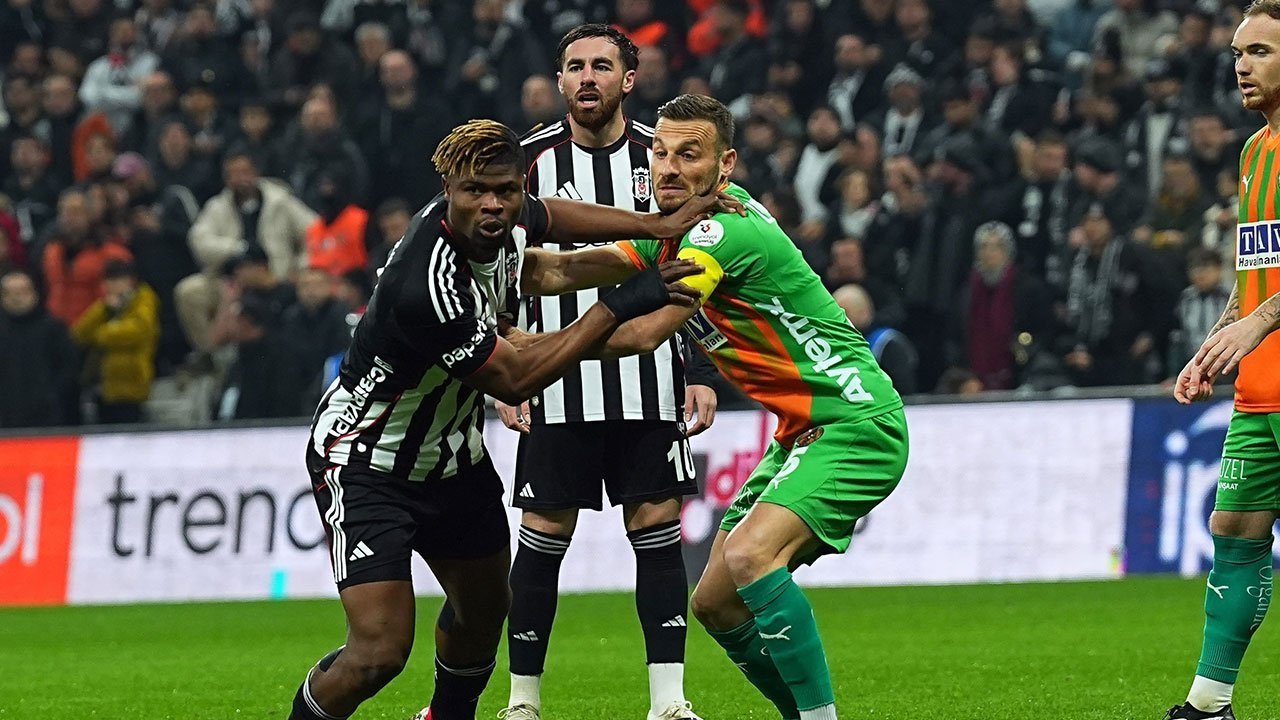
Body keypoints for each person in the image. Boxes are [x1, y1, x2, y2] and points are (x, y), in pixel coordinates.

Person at [289, 118, 729, 720]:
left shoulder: (501, 222)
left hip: (454, 459)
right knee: (379, 654)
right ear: (448, 190)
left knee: (484, 613)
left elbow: (553, 232)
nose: (492, 205)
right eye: (475, 191)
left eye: (505, 191)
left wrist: (653, 228)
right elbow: (516, 378)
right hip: (368, 460)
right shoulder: (428, 285)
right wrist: (621, 302)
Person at [501, 95, 908, 720]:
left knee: (749, 557)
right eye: (661, 153)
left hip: (854, 422)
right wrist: (480, 255)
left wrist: (531, 347)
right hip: (802, 432)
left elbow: (643, 334)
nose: (668, 168)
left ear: (726, 165)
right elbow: (562, 271)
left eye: (689, 155)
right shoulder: (671, 231)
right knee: (715, 601)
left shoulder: (721, 231)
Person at [496, 25, 718, 720]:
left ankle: (669, 703)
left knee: (657, 532)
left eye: (601, 65)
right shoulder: (527, 161)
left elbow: (700, 259)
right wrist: (503, 366)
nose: (587, 77)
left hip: (651, 379)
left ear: (629, 78)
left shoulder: (665, 157)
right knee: (542, 541)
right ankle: (522, 703)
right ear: (560, 80)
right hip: (554, 384)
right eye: (574, 66)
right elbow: (499, 267)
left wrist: (700, 365)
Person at [1169, 4, 1280, 718]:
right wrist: (1215, 344)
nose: (1242, 65)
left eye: (1261, 51)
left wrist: (1259, 323)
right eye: (1238, 53)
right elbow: (1256, 273)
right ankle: (1210, 705)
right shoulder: (1254, 152)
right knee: (1234, 530)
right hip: (1260, 388)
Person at [70, 259, 160, 424]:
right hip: (103, 384)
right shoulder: (106, 305)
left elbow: (136, 331)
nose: (112, 285)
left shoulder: (144, 299)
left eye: (117, 280)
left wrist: (101, 335)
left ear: (131, 281)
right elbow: (79, 333)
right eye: (108, 281)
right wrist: (104, 309)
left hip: (131, 382)